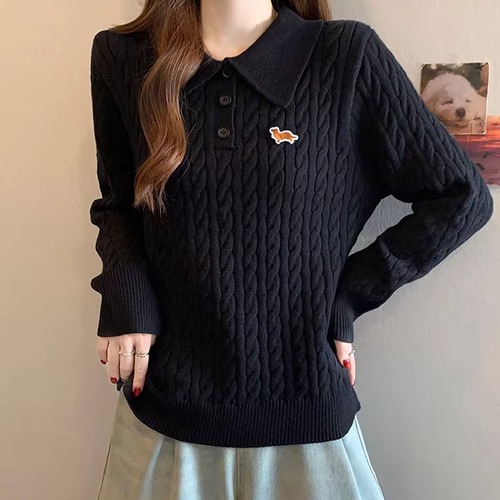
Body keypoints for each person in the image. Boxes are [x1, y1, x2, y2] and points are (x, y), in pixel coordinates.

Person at [88, 0, 494, 498]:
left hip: (307, 419)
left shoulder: (346, 58)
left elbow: (462, 198)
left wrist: (349, 295)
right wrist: (127, 296)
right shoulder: (124, 57)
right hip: (162, 417)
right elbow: (118, 204)